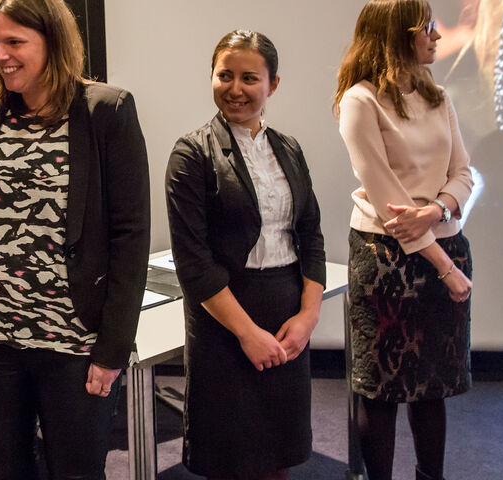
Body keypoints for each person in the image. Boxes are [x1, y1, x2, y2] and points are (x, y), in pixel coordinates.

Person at [0, 0, 149, 477]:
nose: (0, 55)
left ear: (53, 41)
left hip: (72, 345)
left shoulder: (106, 110)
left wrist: (113, 350)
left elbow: (130, 238)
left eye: (15, 42)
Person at [165, 30, 326, 480]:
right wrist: (248, 334)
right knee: (231, 457)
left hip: (286, 311)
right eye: (225, 75)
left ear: (272, 85)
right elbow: (194, 263)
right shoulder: (191, 153)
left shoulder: (289, 148)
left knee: (278, 456)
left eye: (249, 78)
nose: (235, 88)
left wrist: (309, 317)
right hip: (224, 319)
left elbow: (311, 237)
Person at [333, 1, 474, 479]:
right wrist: (446, 268)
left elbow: (463, 175)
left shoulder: (439, 97)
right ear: (398, 35)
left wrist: (437, 209)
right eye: (427, 28)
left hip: (443, 246)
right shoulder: (360, 100)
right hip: (385, 258)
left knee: (432, 384)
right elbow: (391, 207)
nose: (436, 35)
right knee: (382, 387)